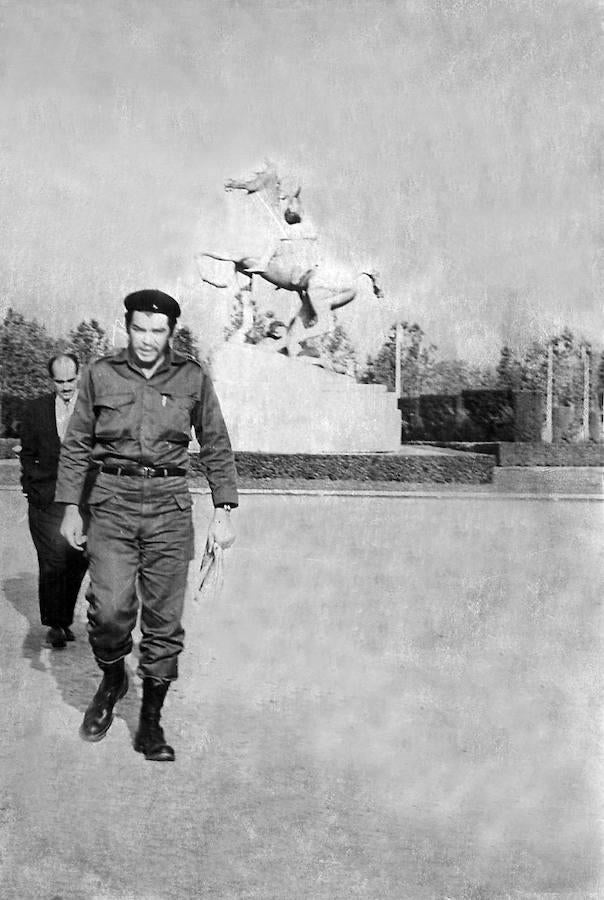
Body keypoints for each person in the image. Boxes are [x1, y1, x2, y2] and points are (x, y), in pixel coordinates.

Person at [55, 290, 238, 762]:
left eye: (158, 331)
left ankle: (150, 720)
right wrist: (71, 508)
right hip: (112, 503)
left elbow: (215, 444)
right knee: (111, 610)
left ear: (171, 333)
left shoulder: (192, 377)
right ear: (127, 327)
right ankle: (113, 675)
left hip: (169, 509)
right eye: (140, 329)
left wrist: (224, 512)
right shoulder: (100, 375)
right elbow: (76, 445)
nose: (148, 340)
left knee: (164, 622)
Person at [20, 353, 89, 649]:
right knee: (52, 562)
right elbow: (26, 453)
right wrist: (33, 487)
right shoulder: (35, 409)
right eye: (59, 381)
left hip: (82, 501)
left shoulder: (92, 410)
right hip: (46, 501)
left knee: (77, 561)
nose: (65, 387)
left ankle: (63, 619)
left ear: (79, 375)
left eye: (71, 380)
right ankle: (54, 624)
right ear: (51, 380)